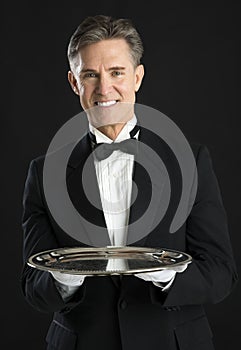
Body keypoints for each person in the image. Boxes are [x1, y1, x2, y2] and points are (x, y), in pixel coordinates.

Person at [21, 15, 238, 350]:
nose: (104, 88)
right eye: (90, 74)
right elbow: (33, 285)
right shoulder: (43, 173)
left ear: (137, 77)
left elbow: (222, 274)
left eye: (116, 72)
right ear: (74, 83)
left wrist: (169, 276)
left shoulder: (189, 161)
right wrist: (63, 281)